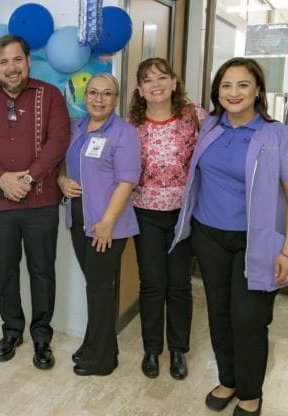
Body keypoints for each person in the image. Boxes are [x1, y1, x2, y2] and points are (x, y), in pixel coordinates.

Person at [171, 57, 288, 415]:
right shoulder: (210, 127)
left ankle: (250, 392)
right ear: (217, 91)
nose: (234, 92)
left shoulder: (280, 136)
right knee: (219, 313)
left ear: (258, 90)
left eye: (243, 84)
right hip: (209, 235)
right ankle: (228, 379)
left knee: (248, 318)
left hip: (257, 242)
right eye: (226, 85)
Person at [0, 34, 70, 370]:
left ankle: (41, 336)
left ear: (28, 61)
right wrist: (1, 178)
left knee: (42, 270)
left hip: (42, 203)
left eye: (17, 60)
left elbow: (59, 140)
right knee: (6, 270)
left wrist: (27, 179)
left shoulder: (49, 95)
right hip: (0, 204)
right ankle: (11, 331)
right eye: (4, 62)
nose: (12, 68)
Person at [127, 57, 208, 380]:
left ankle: (178, 350)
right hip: (145, 213)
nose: (156, 84)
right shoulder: (131, 124)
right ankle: (151, 350)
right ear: (139, 89)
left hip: (184, 215)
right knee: (151, 284)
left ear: (174, 83)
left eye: (162, 77)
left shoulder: (194, 116)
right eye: (148, 80)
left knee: (179, 285)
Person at [57, 73, 140, 376]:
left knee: (101, 288)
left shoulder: (124, 133)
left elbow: (127, 182)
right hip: (79, 220)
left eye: (107, 93)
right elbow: (64, 163)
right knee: (94, 285)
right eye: (93, 92)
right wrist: (61, 180)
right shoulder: (77, 127)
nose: (99, 99)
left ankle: (103, 359)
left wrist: (106, 223)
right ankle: (94, 343)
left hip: (107, 226)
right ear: (85, 96)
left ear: (116, 99)